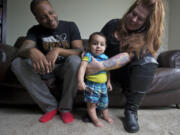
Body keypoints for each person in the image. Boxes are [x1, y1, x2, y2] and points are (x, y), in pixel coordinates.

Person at [86, 0, 165, 133]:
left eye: (140, 19)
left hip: (127, 74)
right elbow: (96, 45)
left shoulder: (146, 37)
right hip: (106, 73)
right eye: (133, 13)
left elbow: (127, 56)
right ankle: (96, 106)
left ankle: (131, 111)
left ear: (147, 24)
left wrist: (101, 65)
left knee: (149, 61)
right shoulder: (112, 25)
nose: (133, 19)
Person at [11, 0, 83, 124]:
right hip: (45, 69)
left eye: (51, 12)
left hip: (65, 68)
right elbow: (22, 50)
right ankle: (50, 107)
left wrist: (59, 50)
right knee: (17, 64)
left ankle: (65, 109)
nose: (50, 19)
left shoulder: (70, 26)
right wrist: (31, 51)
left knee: (76, 61)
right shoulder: (34, 30)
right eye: (43, 17)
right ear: (37, 19)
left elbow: (80, 51)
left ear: (54, 9)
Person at [78, 32, 113, 127]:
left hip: (103, 86)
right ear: (89, 45)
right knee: (91, 105)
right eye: (95, 43)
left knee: (104, 103)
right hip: (92, 85)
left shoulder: (106, 58)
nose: (98, 46)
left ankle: (105, 115)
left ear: (105, 47)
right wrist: (80, 81)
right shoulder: (88, 56)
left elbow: (108, 71)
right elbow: (82, 68)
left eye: (102, 44)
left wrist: (109, 82)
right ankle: (95, 120)